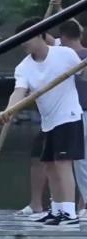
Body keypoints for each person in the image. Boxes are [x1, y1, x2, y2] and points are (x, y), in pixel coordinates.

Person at [5, 17, 84, 226]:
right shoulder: (23, 67)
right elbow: (18, 92)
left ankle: (69, 213)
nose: (23, 43)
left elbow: (83, 74)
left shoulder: (64, 54)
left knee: (62, 164)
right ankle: (57, 210)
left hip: (68, 116)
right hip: (48, 121)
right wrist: (9, 111)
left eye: (26, 38)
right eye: (20, 40)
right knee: (49, 165)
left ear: (41, 35)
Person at [57, 19, 87, 214]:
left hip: (79, 113)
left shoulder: (66, 57)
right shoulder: (66, 55)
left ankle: (85, 202)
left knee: (81, 160)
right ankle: (83, 203)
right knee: (81, 160)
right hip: (76, 112)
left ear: (63, 37)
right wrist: (60, 11)